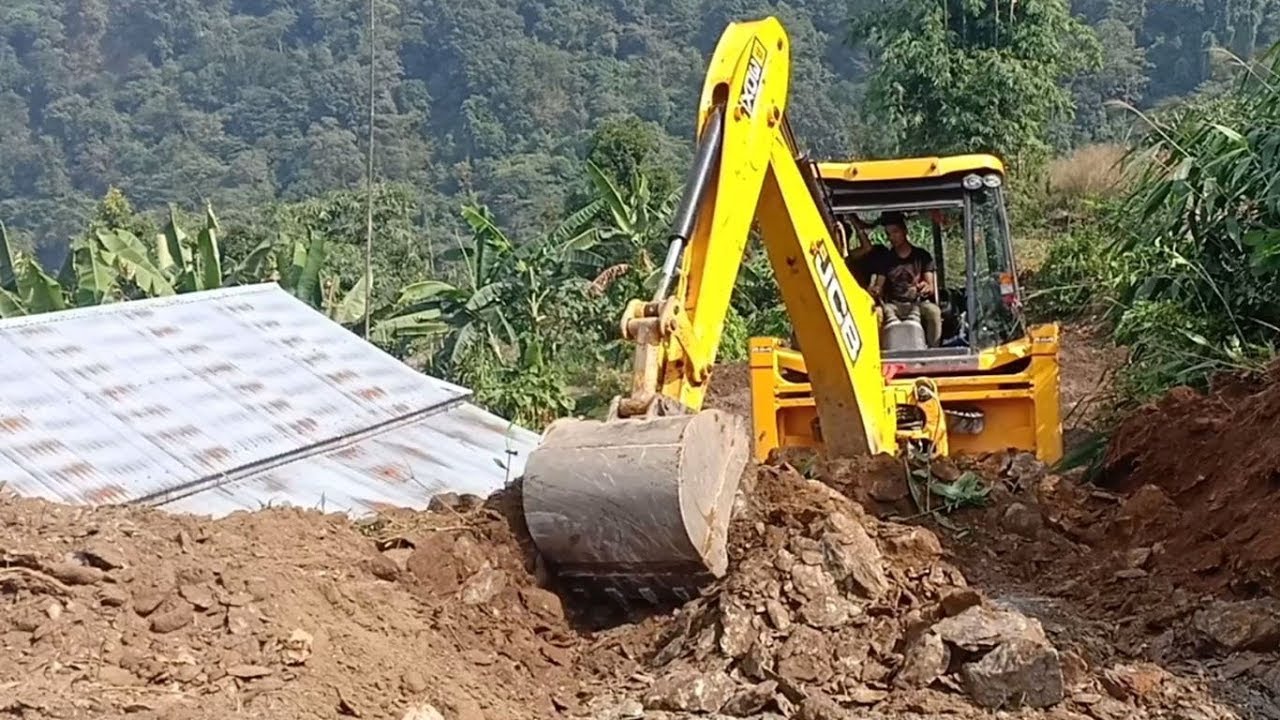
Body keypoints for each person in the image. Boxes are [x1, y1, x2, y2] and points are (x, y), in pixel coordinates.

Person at [867, 211, 942, 347]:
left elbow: (930, 286)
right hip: (893, 305)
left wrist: (925, 287)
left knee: (934, 311)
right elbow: (879, 286)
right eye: (888, 234)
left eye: (895, 232)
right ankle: (879, 351)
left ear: (904, 231)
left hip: (917, 303)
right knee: (876, 313)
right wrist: (875, 290)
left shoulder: (922, 256)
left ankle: (933, 349)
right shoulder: (885, 259)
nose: (892, 237)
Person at [841, 215, 890, 289]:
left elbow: (867, 248)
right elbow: (867, 248)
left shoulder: (848, 256)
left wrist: (855, 223)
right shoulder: (848, 256)